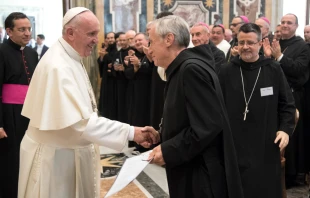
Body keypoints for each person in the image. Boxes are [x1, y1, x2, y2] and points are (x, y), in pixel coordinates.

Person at [18, 7, 159, 198]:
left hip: (66, 154)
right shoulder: (58, 66)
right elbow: (80, 123)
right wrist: (132, 132)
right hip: (55, 161)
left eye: (97, 34)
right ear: (70, 33)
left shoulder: (69, 56)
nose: (96, 40)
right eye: (91, 34)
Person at [145, 15, 243, 198]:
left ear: (169, 39)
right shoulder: (181, 68)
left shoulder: (190, 70)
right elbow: (188, 118)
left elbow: (208, 125)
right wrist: (162, 134)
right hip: (191, 166)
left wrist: (168, 150)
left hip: (200, 175)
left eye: (151, 42)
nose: (149, 50)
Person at [219, 23, 295, 198]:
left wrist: (285, 130)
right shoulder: (226, 71)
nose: (245, 47)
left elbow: (287, 105)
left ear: (260, 43)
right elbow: (216, 106)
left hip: (265, 142)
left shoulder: (273, 69)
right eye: (241, 42)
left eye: (251, 42)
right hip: (234, 143)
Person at [265, 13, 310, 187]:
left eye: (289, 23)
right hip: (272, 96)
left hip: (293, 96)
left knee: (291, 137)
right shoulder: (276, 43)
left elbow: (300, 71)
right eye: (282, 22)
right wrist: (268, 57)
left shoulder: (303, 47)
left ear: (296, 26)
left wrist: (280, 57)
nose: (284, 25)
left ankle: (291, 176)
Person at [0, 12, 38, 198]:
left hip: (29, 114)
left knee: (30, 156)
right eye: (21, 29)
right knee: (11, 161)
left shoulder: (31, 53)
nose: (27, 33)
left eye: (29, 29)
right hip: (8, 115)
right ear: (9, 31)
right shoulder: (1, 51)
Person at [97, 32, 118, 119]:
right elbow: (101, 63)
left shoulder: (118, 50)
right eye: (108, 38)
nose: (110, 40)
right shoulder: (105, 49)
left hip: (115, 79)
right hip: (106, 78)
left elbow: (114, 62)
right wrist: (101, 57)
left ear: (115, 39)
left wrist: (106, 56)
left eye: (112, 38)